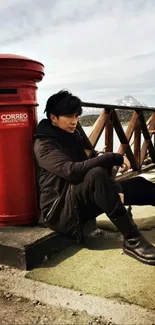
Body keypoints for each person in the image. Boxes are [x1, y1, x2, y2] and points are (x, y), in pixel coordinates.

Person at [34, 90, 155, 265]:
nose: (74, 121)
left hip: (78, 196)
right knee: (96, 175)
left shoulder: (72, 135)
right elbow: (72, 171)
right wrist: (113, 157)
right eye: (69, 116)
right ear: (53, 117)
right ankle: (132, 239)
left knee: (139, 183)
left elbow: (89, 161)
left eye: (76, 115)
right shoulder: (44, 144)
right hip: (60, 211)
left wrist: (113, 189)